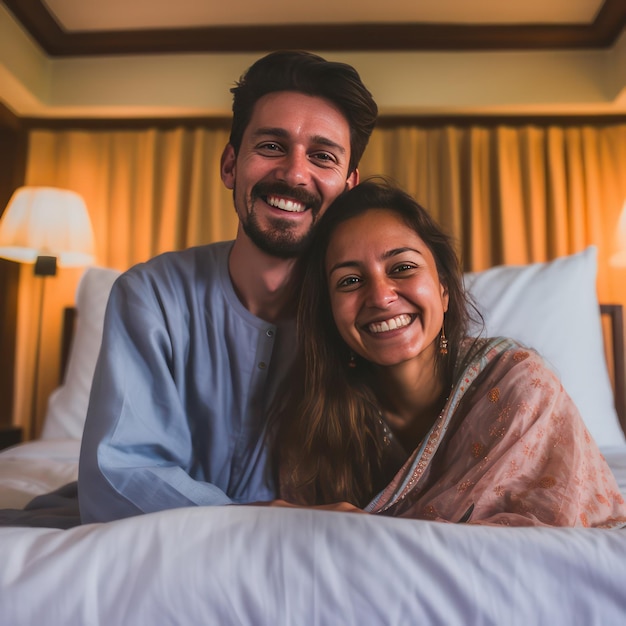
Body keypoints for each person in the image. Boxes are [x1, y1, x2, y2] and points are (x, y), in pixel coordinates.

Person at [77, 51, 378, 523]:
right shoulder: (150, 295)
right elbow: (121, 473)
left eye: (322, 157)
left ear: (348, 189)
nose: (295, 174)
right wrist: (260, 517)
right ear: (230, 165)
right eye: (272, 146)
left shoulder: (368, 315)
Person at [274, 180, 626, 527]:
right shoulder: (319, 419)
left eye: (402, 268)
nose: (380, 297)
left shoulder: (521, 389)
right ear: (330, 313)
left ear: (443, 289)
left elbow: (560, 545)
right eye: (350, 281)